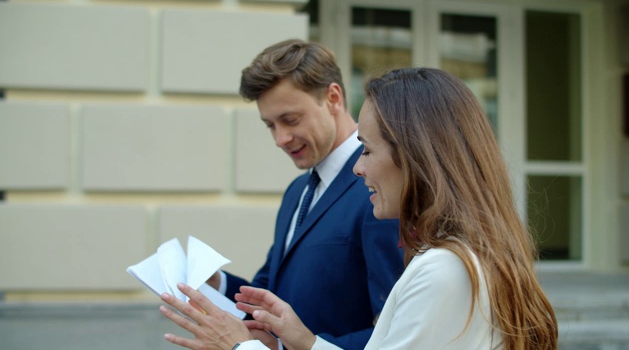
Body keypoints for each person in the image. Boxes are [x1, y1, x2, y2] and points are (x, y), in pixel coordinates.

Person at [160, 67, 559, 349]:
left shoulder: (443, 267)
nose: (359, 165)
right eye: (270, 125)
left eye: (367, 149)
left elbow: (380, 325)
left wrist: (240, 348)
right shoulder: (299, 192)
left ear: (417, 156)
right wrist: (301, 340)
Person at [200, 39, 404, 350]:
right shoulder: (297, 191)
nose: (280, 139)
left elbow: (398, 329)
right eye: (270, 125)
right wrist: (217, 283)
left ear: (333, 98)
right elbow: (268, 291)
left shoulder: (380, 189)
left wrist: (292, 346)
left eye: (290, 120)